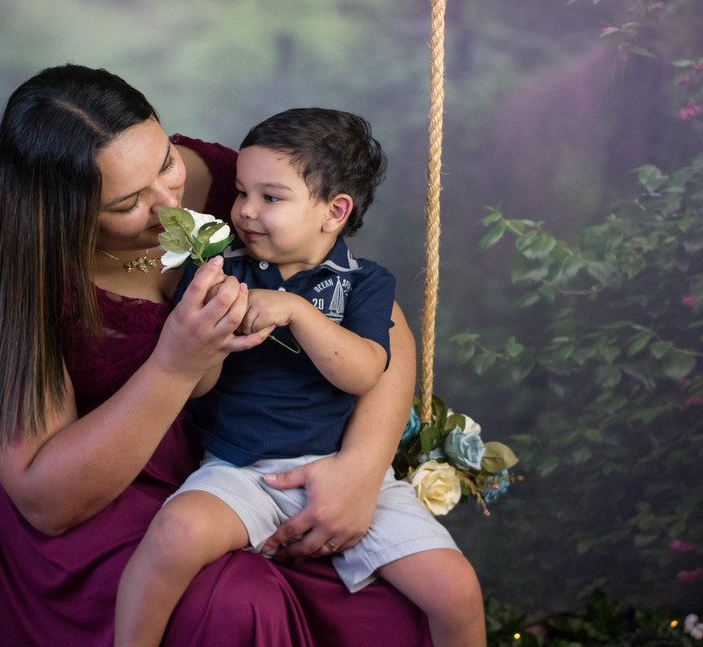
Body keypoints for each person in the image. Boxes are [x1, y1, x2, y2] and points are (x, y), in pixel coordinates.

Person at [0, 64, 462, 646]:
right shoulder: (10, 280)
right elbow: (47, 503)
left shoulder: (234, 189)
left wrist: (361, 469)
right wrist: (176, 363)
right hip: (102, 501)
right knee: (236, 605)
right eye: (130, 201)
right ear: (63, 212)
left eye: (165, 162)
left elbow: (371, 314)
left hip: (259, 455)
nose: (169, 203)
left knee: (388, 613)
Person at [114, 109, 486, 647]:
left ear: (335, 211)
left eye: (270, 197)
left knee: (456, 590)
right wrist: (208, 337)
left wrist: (296, 311)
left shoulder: (363, 283)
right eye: (241, 192)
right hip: (240, 471)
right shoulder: (220, 269)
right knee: (174, 535)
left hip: (347, 474)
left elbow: (363, 373)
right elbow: (197, 389)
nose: (243, 211)